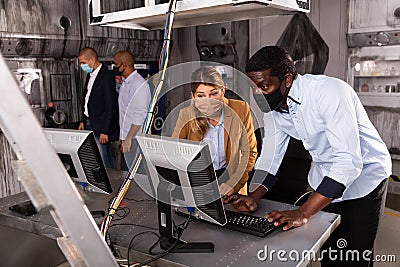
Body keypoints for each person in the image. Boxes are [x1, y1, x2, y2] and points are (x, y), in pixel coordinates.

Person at [224, 46, 391, 266]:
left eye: (264, 86)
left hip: (365, 178)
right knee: (331, 252)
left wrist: (303, 212)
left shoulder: (329, 93)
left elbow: (348, 163)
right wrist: (253, 196)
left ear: (287, 79)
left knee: (353, 256)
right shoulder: (274, 107)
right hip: (325, 178)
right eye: (253, 87)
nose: (258, 94)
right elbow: (271, 156)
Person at [172, 67, 257, 196]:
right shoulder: (186, 115)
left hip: (232, 179)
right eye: (201, 96)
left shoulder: (241, 109)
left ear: (223, 91)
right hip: (199, 182)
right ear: (193, 96)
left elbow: (249, 152)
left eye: (213, 94)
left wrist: (233, 184)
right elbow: (174, 151)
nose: (208, 101)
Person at [78, 47, 119, 168]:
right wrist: (83, 120)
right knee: (93, 158)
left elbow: (110, 105)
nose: (82, 66)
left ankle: (111, 184)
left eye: (83, 62)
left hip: (100, 125)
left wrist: (105, 131)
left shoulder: (106, 76)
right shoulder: (90, 75)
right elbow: (87, 99)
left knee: (104, 159)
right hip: (88, 122)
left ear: (92, 59)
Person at [113, 50, 151, 169]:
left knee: (136, 176)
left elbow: (140, 114)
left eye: (115, 63)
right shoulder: (126, 83)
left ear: (123, 65)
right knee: (126, 175)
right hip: (127, 137)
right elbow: (125, 112)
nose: (114, 66)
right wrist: (122, 134)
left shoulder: (138, 84)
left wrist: (128, 138)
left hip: (135, 140)